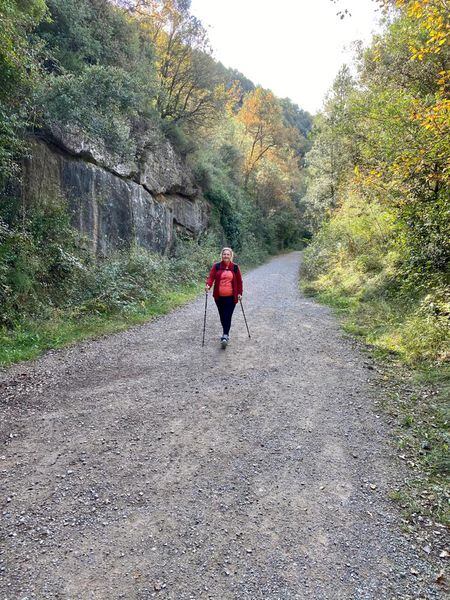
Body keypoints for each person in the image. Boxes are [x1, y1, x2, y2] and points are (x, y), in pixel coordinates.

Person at [205, 247, 243, 347]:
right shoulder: (216, 266)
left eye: (228, 254)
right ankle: (225, 332)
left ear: (231, 256)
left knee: (228, 315)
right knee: (222, 316)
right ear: (221, 255)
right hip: (219, 297)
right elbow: (211, 277)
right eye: (224, 254)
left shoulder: (235, 267)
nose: (226, 256)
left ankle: (225, 335)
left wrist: (240, 293)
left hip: (231, 297)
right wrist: (208, 285)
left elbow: (239, 282)